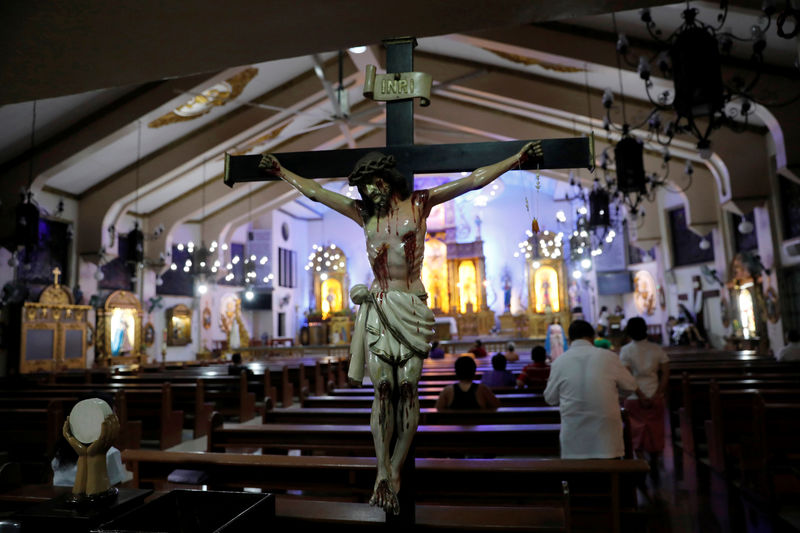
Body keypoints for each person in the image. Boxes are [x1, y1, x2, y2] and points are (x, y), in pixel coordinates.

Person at [260, 141, 542, 514]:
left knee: (407, 388)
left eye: (372, 185)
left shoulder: (421, 204)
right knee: (383, 388)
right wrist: (281, 172)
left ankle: (393, 471)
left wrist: (516, 160)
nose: (367, 193)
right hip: (379, 305)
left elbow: (473, 180)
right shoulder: (362, 214)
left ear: (386, 178)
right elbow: (317, 192)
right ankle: (383, 468)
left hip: (411, 305)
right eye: (362, 189)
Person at [544, 320, 642, 459]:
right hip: (607, 442)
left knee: (578, 480)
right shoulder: (609, 357)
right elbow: (630, 386)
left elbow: (550, 399)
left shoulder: (559, 362)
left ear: (570, 339)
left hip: (574, 442)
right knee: (608, 479)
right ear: (592, 337)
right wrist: (612, 393)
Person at [619, 317, 670, 478]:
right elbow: (666, 372)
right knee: (655, 428)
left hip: (634, 397)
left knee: (636, 430)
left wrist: (640, 395)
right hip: (654, 394)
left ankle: (641, 460)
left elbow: (626, 375)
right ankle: (654, 458)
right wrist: (657, 393)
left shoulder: (626, 350)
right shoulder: (656, 349)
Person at [436, 356, 500, 410]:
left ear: (456, 372)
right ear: (474, 371)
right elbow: (497, 406)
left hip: (454, 424)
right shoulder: (482, 389)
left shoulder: (448, 390)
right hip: (477, 423)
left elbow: (438, 409)